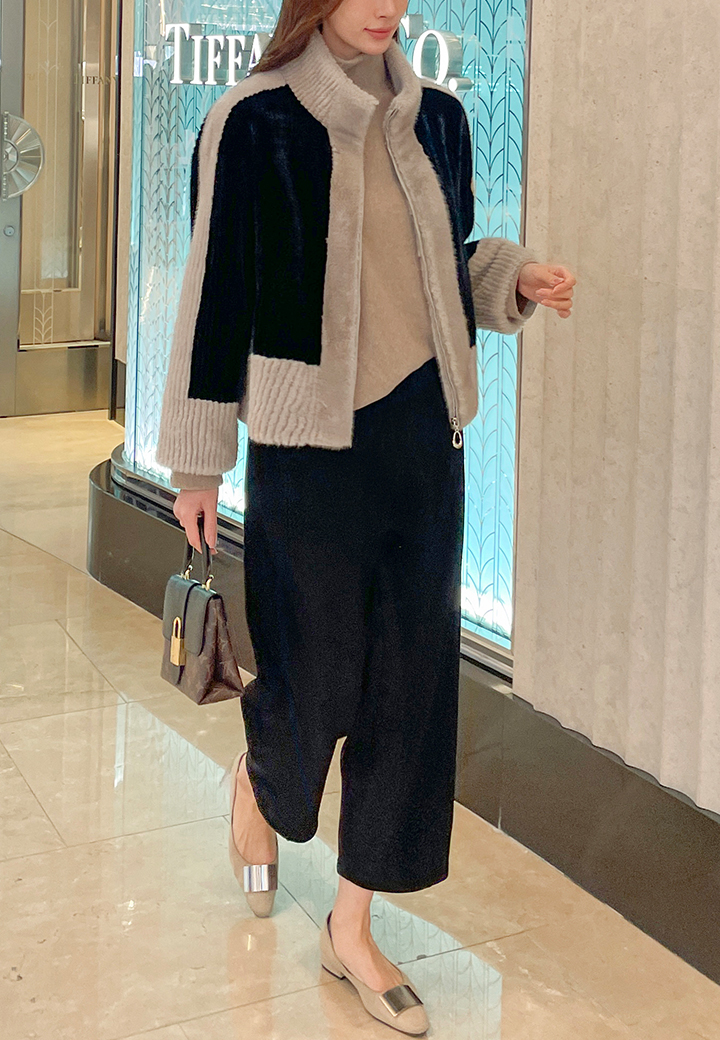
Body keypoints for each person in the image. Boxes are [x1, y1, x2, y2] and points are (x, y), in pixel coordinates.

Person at [156, 0, 576, 1033]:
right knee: (315, 677)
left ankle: (353, 923)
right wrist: (199, 462)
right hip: (307, 449)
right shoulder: (252, 120)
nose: (388, 5)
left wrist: (511, 277)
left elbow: (446, 260)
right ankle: (262, 780)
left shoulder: (441, 121)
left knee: (410, 692)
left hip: (424, 442)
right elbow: (215, 295)